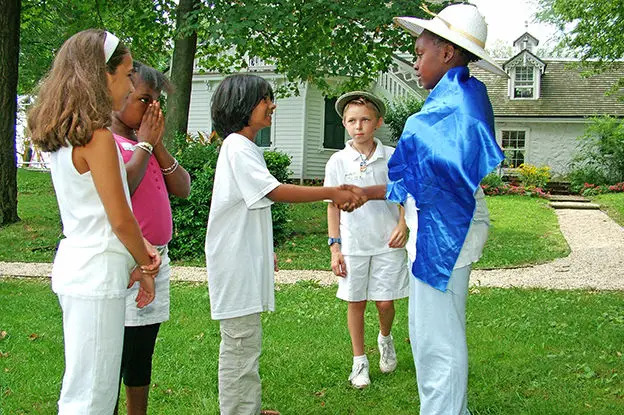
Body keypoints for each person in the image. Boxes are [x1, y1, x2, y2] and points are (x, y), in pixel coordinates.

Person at [351, 4, 507, 414]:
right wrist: (368, 193)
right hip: (439, 225)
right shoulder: (455, 98)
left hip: (445, 230)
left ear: (448, 53)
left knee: (438, 338)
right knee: (431, 332)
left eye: (421, 54)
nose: (415, 62)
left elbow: (443, 182)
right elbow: (422, 175)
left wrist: (377, 194)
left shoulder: (459, 105)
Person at [205, 74, 365, 415]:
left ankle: (248, 407)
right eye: (266, 99)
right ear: (243, 106)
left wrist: (265, 251)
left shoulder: (244, 147)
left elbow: (250, 206)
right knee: (240, 344)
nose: (273, 105)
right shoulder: (237, 145)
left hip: (244, 261)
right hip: (234, 268)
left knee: (247, 343)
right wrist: (331, 191)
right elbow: (273, 191)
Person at [27, 29, 160, 414]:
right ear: (102, 75)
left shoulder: (65, 135)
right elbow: (119, 218)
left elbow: (99, 218)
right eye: (128, 73)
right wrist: (146, 260)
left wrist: (135, 261)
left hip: (80, 266)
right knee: (93, 397)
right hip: (96, 274)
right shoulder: (97, 138)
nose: (132, 82)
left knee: (83, 386)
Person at [110, 61, 191, 415]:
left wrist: (154, 145)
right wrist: (143, 145)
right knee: (115, 353)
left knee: (142, 351)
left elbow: (183, 187)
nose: (151, 109)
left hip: (157, 261)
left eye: (156, 102)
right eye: (144, 99)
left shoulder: (145, 144)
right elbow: (121, 189)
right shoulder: (107, 143)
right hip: (126, 261)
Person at [324, 91, 409, 389]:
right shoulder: (338, 161)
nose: (358, 126)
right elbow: (332, 205)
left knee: (385, 302)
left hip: (388, 242)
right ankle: (359, 362)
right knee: (356, 301)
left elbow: (403, 193)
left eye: (364, 120)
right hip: (353, 245)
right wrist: (336, 247)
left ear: (378, 122)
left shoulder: (393, 155)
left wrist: (403, 223)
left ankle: (385, 339)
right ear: (345, 124)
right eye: (351, 121)